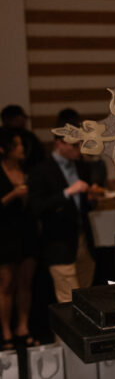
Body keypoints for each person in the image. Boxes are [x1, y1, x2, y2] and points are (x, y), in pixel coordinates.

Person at [28, 119, 100, 303]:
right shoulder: (41, 170)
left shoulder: (82, 167)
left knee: (86, 297)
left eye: (80, 144)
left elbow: (84, 207)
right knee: (68, 301)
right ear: (59, 143)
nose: (79, 149)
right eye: (74, 145)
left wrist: (91, 199)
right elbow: (36, 208)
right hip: (58, 242)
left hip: (83, 240)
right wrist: (67, 193)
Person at [0, 129, 38, 347]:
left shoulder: (27, 170)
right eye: (16, 145)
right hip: (5, 232)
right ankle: (5, 331)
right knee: (6, 284)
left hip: (27, 230)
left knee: (25, 281)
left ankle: (23, 326)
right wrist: (13, 194)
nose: (21, 148)